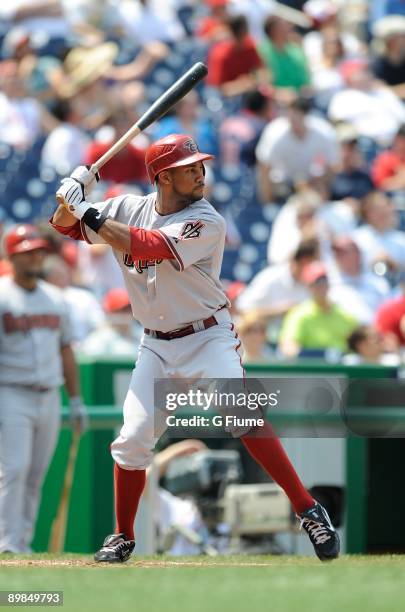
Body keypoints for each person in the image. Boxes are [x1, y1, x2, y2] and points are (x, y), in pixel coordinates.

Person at [50, 133, 340, 563]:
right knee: (131, 440)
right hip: (155, 345)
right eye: (189, 168)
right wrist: (72, 189)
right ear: (164, 178)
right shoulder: (128, 207)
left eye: (200, 165)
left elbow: (148, 245)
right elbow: (62, 224)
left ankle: (307, 508)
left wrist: (85, 207)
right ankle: (122, 536)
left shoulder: (208, 220)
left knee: (241, 413)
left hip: (207, 336)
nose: (200, 172)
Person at [0, 224, 87, 554]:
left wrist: (76, 399)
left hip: (49, 393)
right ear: (12, 256)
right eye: (27, 252)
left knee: (36, 473)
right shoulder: (2, 295)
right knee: (13, 469)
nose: (36, 257)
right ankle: (6, 543)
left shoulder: (55, 298)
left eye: (38, 251)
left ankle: (21, 542)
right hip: (10, 391)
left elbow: (66, 349)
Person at [279, 261, 357, 358]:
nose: (321, 287)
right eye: (316, 283)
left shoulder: (345, 315)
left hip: (342, 370)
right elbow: (288, 348)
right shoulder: (299, 315)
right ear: (308, 287)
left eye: (324, 281)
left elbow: (358, 346)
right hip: (311, 371)